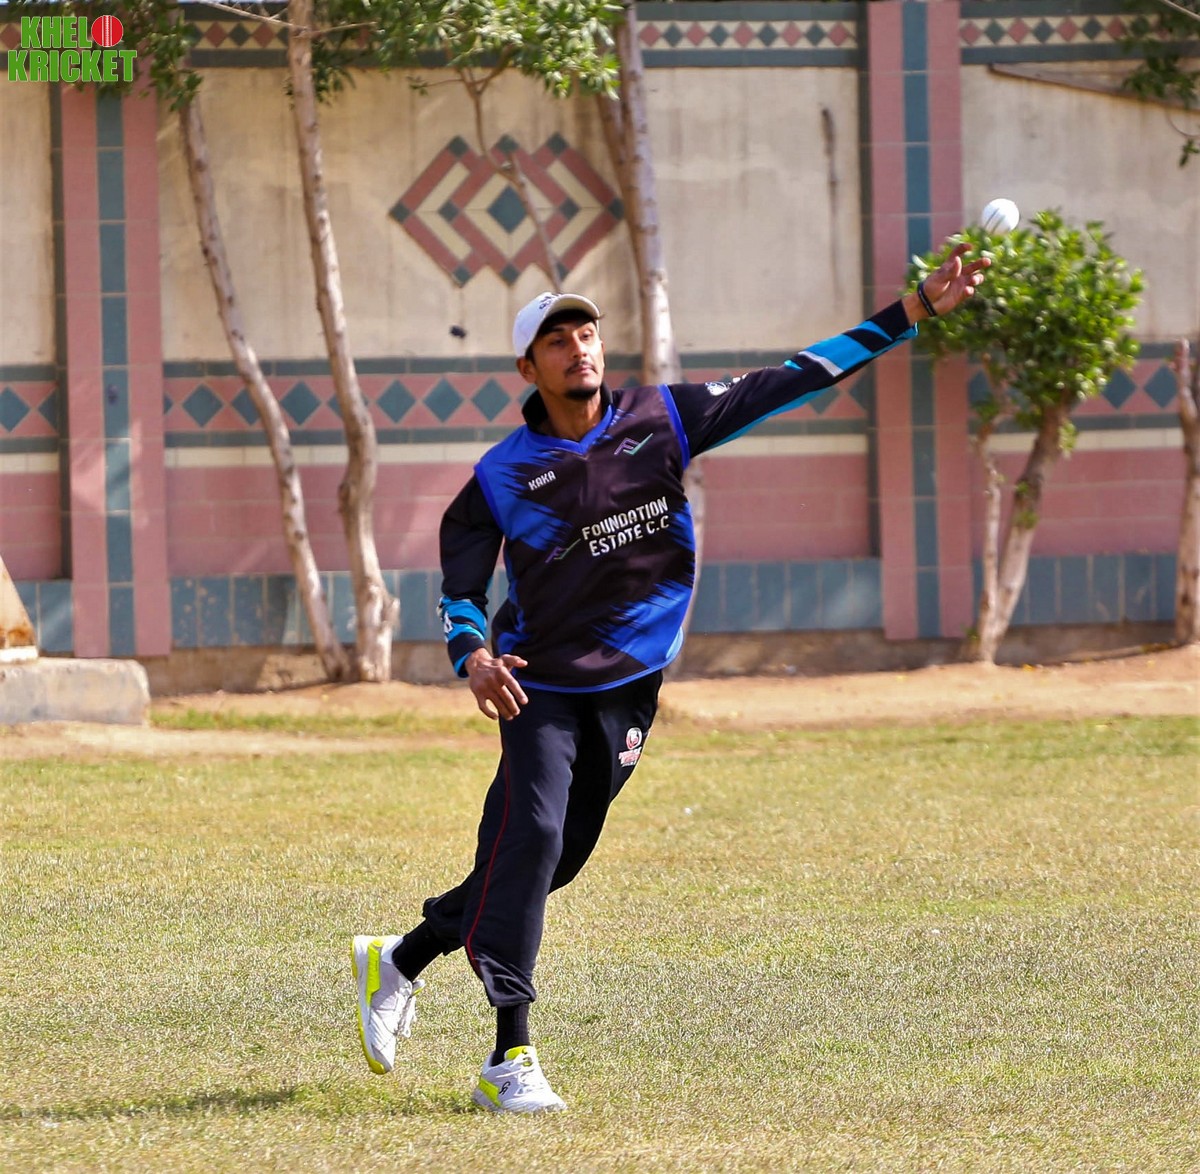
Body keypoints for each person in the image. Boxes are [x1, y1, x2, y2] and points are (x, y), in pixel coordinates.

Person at [351, 242, 990, 1113]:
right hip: (537, 684)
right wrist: (473, 657)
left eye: (586, 333)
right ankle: (511, 1056)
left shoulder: (664, 419)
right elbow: (460, 587)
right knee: (531, 835)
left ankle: (401, 957)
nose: (578, 348)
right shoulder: (500, 476)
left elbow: (795, 377)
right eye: (556, 340)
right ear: (528, 369)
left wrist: (911, 312)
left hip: (630, 687)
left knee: (552, 863)